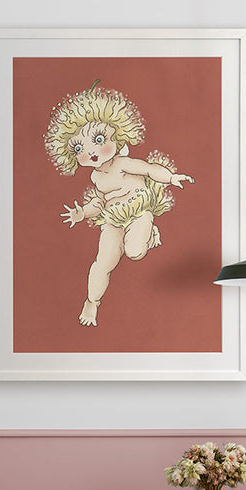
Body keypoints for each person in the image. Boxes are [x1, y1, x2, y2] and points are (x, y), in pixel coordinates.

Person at [44, 82, 194, 327]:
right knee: (103, 262)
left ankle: (148, 233)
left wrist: (171, 177)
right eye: (80, 147)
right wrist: (82, 213)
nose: (92, 152)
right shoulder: (96, 177)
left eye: (99, 138)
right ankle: (92, 302)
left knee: (134, 252)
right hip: (113, 219)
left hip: (138, 210)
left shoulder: (123, 163)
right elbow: (100, 201)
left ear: (117, 132)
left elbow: (148, 169)